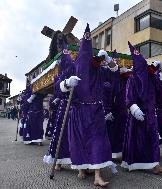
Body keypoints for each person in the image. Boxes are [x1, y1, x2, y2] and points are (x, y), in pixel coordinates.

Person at [59, 24, 116, 187]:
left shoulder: (97, 67)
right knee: (80, 142)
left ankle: (97, 175)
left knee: (98, 141)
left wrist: (109, 59)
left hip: (96, 110)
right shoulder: (73, 68)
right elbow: (60, 89)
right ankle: (82, 168)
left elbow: (114, 72)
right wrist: (67, 83)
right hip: (79, 111)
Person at [121, 42, 162, 174]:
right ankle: (135, 162)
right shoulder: (132, 79)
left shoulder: (152, 78)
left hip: (151, 114)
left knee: (153, 138)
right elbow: (129, 98)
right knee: (136, 139)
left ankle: (155, 165)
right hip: (137, 114)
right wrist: (134, 108)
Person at [43, 50, 74, 169]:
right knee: (61, 132)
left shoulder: (76, 70)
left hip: (75, 106)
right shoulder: (60, 76)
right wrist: (65, 84)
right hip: (64, 107)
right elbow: (58, 89)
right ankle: (59, 160)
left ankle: (75, 159)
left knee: (74, 134)